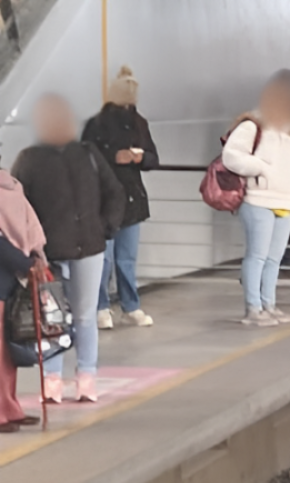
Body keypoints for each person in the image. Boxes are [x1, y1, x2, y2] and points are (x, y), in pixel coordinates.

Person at [12, 95, 125, 403]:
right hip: (48, 252)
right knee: (52, 317)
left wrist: (105, 226)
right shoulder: (29, 159)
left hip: (89, 246)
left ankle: (86, 376)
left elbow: (114, 192)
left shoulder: (88, 154)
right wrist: (31, 246)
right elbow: (17, 207)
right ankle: (52, 379)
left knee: (86, 315)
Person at [221, 72, 290, 325]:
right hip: (257, 201)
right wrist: (261, 167)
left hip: (285, 205)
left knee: (274, 259)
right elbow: (231, 156)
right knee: (257, 256)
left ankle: (269, 305)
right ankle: (253, 308)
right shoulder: (252, 126)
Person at [82, 65, 157, 330]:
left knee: (126, 258)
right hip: (105, 199)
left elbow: (153, 159)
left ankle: (130, 306)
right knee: (104, 258)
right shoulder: (97, 124)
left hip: (132, 198)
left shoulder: (140, 123)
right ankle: (101, 306)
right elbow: (86, 158)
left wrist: (139, 157)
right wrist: (114, 158)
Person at [0, 166, 49, 430]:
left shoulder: (12, 185)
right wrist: (29, 261)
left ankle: (8, 407)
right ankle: (5, 409)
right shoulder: (12, 185)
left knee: (6, 348)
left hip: (10, 274)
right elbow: (30, 227)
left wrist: (28, 262)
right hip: (13, 271)